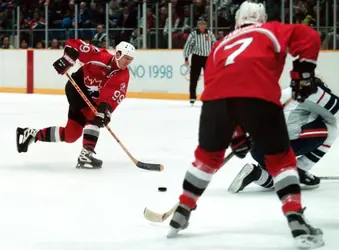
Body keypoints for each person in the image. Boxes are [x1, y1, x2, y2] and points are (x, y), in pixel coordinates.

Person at [167, 1, 324, 249]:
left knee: (207, 157)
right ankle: (295, 216)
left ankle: (183, 209)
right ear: (261, 18)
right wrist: (303, 74)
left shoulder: (220, 44)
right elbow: (309, 36)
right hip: (259, 94)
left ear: (238, 18)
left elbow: (215, 83)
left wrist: (237, 134)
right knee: (280, 159)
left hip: (215, 101)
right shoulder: (270, 30)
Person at [16, 39, 136, 169]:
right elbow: (75, 44)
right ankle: (86, 155)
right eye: (126, 58)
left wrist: (106, 111)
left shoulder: (123, 75)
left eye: (131, 59)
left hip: (92, 99)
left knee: (71, 135)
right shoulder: (100, 56)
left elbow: (113, 96)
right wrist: (67, 59)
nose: (128, 62)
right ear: (118, 54)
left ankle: (32, 134)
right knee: (94, 116)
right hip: (76, 87)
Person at [229, 76, 339, 193]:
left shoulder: (285, 92)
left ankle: (256, 173)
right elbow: (335, 110)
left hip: (257, 149)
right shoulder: (316, 91)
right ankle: (300, 169)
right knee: (332, 129)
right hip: (280, 145)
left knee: (277, 179)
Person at [183, 17, 216, 105]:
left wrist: (214, 56)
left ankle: (209, 95)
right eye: (200, 24)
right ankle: (192, 96)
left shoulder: (209, 33)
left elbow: (214, 44)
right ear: (198, 25)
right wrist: (186, 57)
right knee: (194, 78)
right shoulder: (193, 34)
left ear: (206, 25)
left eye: (203, 24)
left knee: (209, 78)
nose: (202, 26)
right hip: (197, 57)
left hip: (207, 58)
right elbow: (188, 46)